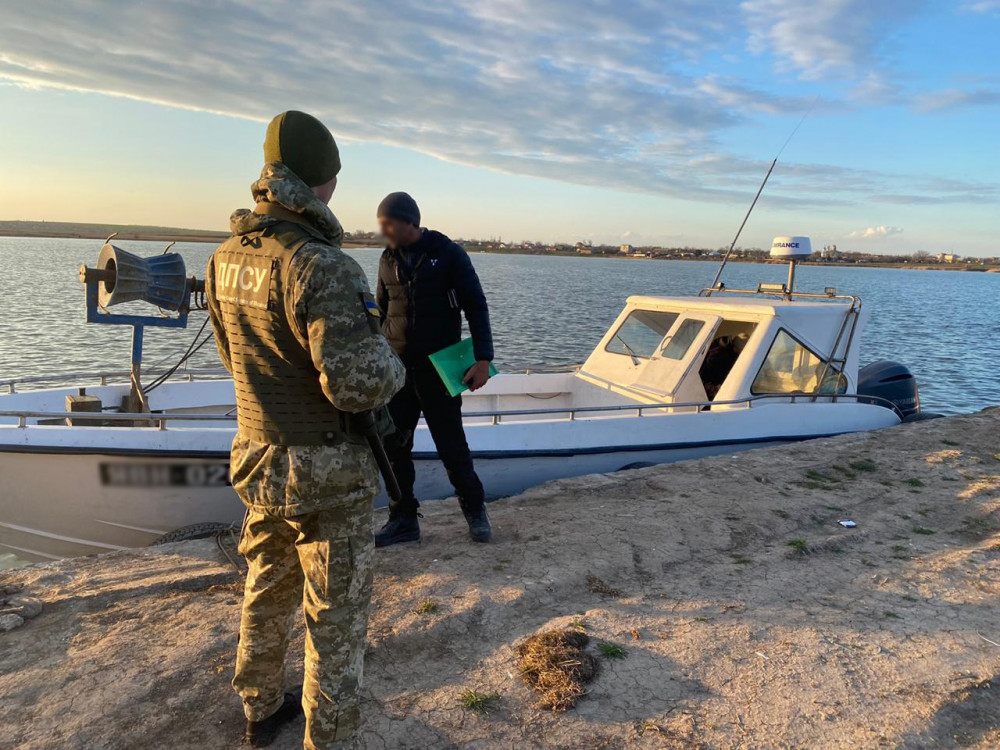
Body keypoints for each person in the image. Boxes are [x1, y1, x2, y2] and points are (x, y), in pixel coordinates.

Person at [205, 110, 405, 749]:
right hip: (325, 472)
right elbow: (356, 384)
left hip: (259, 458)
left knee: (266, 583)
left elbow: (231, 358)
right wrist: (393, 361)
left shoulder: (225, 257)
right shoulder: (322, 265)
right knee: (335, 619)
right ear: (323, 179)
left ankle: (260, 703)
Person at [374, 192, 494, 547]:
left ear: (409, 221)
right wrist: (376, 360)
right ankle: (403, 519)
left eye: (387, 223)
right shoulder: (386, 258)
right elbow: (380, 314)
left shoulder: (448, 255)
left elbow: (477, 307)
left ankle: (475, 511)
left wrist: (483, 359)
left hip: (440, 371)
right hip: (397, 372)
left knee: (452, 447)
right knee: (394, 446)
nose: (382, 230)